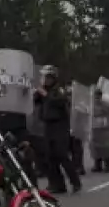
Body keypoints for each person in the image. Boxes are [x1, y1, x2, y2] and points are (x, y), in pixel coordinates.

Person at [33, 66, 82, 195]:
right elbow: (34, 100)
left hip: (60, 126)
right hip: (48, 126)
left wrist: (46, 94)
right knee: (50, 157)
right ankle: (57, 184)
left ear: (53, 78)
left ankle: (75, 182)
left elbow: (60, 101)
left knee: (61, 155)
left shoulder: (58, 90)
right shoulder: (43, 91)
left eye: (48, 78)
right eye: (44, 77)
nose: (46, 80)